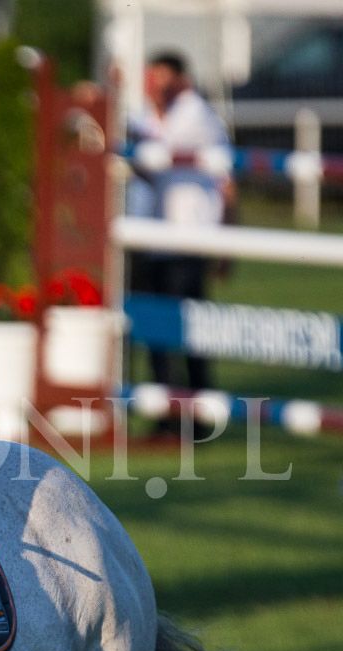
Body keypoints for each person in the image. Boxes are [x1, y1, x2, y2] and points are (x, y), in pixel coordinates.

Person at [126, 51, 234, 411]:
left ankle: (198, 412)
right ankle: (165, 412)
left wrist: (227, 245)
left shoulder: (194, 113)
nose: (153, 85)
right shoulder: (151, 116)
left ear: (181, 80)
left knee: (188, 331)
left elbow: (157, 154)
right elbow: (147, 165)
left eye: (161, 77)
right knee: (157, 330)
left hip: (189, 239)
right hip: (157, 238)